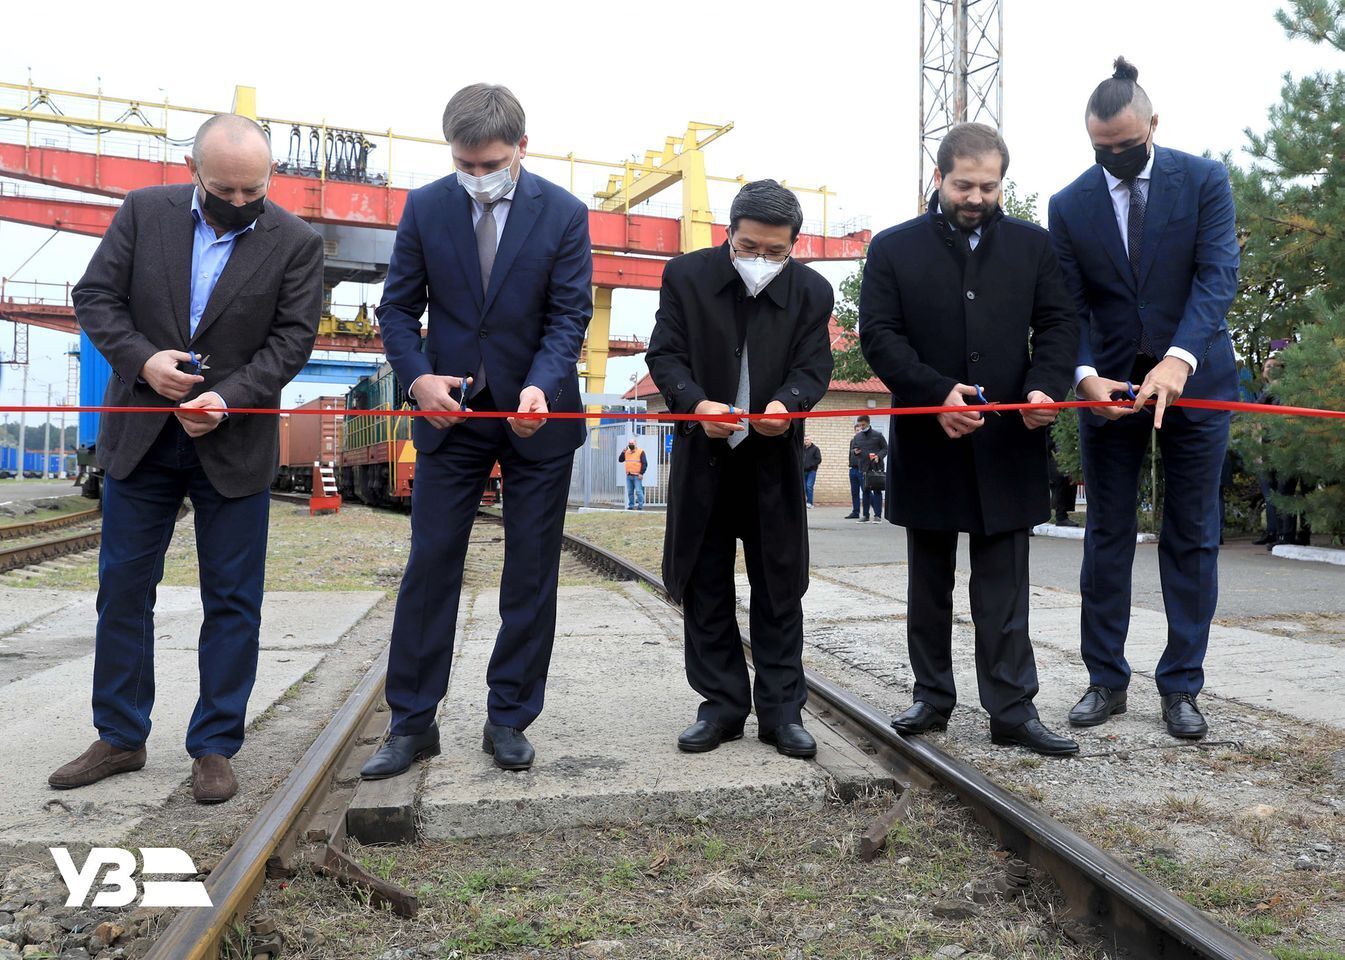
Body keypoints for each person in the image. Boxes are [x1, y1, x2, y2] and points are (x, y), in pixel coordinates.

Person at [52, 114, 324, 803]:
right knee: (122, 590)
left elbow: (291, 342)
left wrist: (225, 400)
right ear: (193, 171)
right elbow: (96, 297)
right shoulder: (144, 213)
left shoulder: (296, 242)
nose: (238, 202)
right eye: (224, 189)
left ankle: (214, 746)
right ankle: (119, 736)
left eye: (252, 189)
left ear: (269, 178)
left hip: (230, 444)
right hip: (140, 436)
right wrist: (145, 361)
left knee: (232, 600)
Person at [361, 84, 593, 779]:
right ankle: (410, 723)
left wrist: (539, 386)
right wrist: (416, 378)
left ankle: (509, 717)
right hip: (448, 415)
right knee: (430, 565)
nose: (477, 175)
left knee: (530, 569)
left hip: (536, 418)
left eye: (490, 162)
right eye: (465, 163)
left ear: (522, 148)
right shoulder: (426, 206)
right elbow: (397, 310)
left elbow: (567, 317)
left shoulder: (566, 214)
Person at [859, 122, 1079, 756]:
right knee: (929, 584)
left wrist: (1045, 390)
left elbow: (1059, 324)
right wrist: (934, 395)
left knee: (1005, 589)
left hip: (1009, 440)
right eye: (964, 184)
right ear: (938, 178)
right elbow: (879, 335)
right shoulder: (893, 248)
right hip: (929, 441)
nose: (976, 196)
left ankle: (1012, 709)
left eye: (989, 185)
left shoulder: (1034, 248)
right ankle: (931, 697)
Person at [1048, 58, 1239, 740]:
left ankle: (1181, 687)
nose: (1114, 158)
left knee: (1190, 534)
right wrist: (1081, 374)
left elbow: (1218, 276)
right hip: (1110, 391)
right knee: (1105, 533)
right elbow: (1065, 305)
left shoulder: (1204, 180)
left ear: (1152, 125)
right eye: (1101, 149)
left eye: (1126, 146)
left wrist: (1177, 360)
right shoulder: (1067, 204)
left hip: (1197, 381)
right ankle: (1104, 680)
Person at [648, 179, 834, 759]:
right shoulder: (686, 277)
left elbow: (814, 367)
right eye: (748, 247)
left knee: (779, 586)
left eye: (774, 252)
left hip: (772, 462)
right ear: (729, 234)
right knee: (705, 584)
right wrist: (695, 402)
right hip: (705, 457)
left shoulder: (812, 292)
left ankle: (782, 713)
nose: (759, 261)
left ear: (793, 247)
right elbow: (665, 354)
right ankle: (722, 706)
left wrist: (789, 403)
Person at [851, 415, 887, 522]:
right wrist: (855, 452)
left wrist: (878, 456)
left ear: (868, 422)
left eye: (863, 425)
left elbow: (885, 448)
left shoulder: (878, 435)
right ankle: (865, 515)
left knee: (877, 491)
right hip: (863, 467)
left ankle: (877, 516)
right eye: (860, 425)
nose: (861, 427)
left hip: (876, 467)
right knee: (865, 491)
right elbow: (853, 450)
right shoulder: (857, 437)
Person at [619, 437, 647, 510]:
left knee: (638, 491)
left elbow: (644, 463)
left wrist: (641, 473)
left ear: (635, 444)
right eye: (630, 444)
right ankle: (631, 506)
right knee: (630, 492)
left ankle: (640, 506)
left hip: (637, 476)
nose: (631, 445)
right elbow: (620, 460)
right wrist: (623, 452)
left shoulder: (641, 452)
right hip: (629, 475)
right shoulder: (627, 452)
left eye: (632, 443)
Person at [844, 422, 863, 518]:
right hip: (853, 469)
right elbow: (850, 453)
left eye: (860, 430)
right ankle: (856, 512)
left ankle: (877, 512)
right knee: (854, 492)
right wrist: (850, 463)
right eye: (857, 430)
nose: (858, 432)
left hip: (862, 470)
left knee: (866, 490)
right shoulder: (853, 441)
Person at [802, 435, 822, 508]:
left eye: (807, 439)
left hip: (811, 471)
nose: (806, 441)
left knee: (809, 486)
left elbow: (818, 459)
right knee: (803, 487)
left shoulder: (815, 449)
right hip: (803, 471)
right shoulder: (802, 449)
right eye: (805, 440)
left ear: (811, 440)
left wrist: (810, 465)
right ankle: (804, 502)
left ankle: (810, 503)